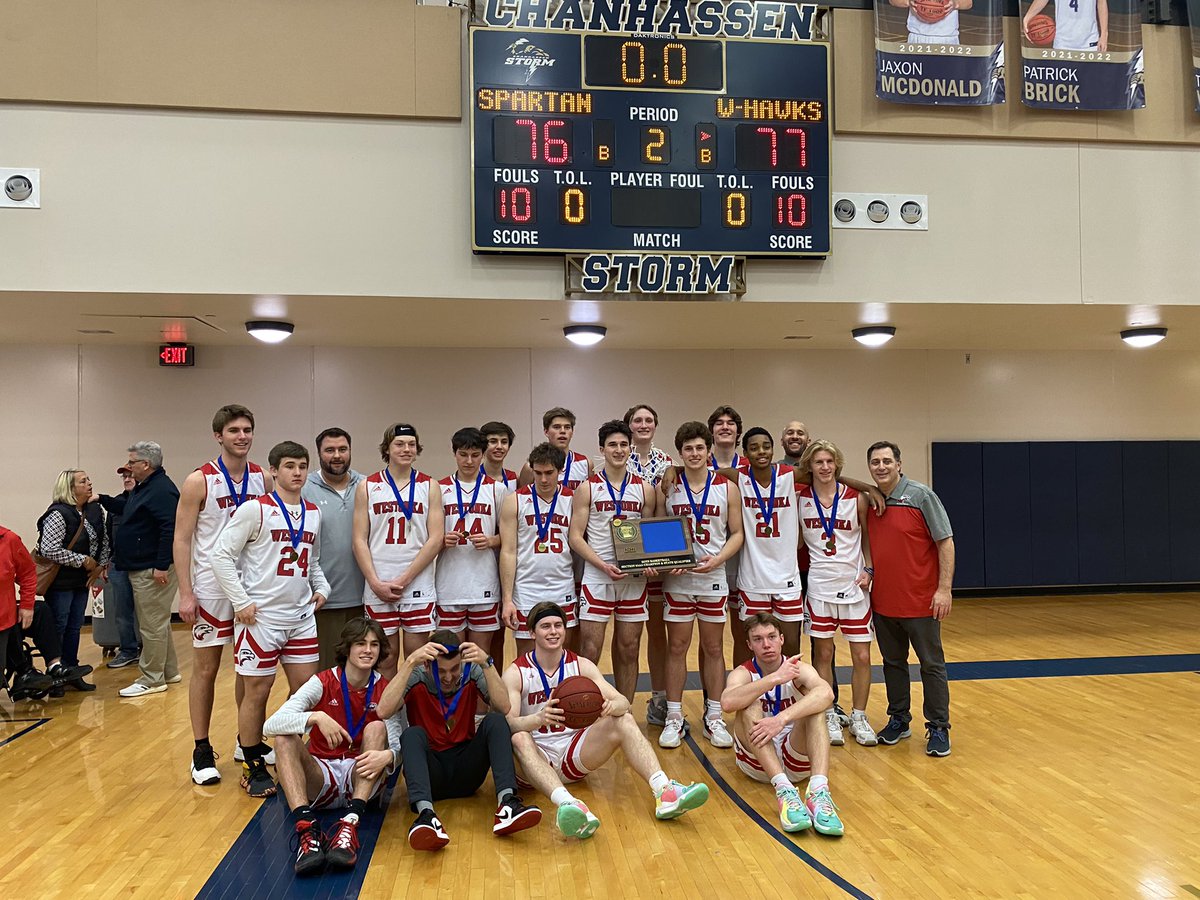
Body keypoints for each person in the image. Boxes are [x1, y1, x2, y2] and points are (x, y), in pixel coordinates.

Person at [502, 601, 709, 839]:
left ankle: (665, 792)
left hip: (573, 754)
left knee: (624, 720)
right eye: (545, 626)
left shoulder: (580, 665)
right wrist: (538, 719)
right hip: (535, 762)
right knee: (518, 738)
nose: (553, 632)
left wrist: (611, 706)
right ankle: (569, 805)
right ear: (532, 633)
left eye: (558, 625)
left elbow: (624, 703)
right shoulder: (516, 672)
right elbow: (509, 724)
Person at [212, 440, 330, 798]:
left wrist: (321, 588)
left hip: (300, 617)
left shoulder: (313, 512)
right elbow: (220, 556)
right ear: (274, 471)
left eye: (302, 466)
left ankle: (293, 754)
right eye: (289, 466)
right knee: (257, 692)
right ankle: (251, 763)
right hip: (259, 619)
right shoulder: (254, 509)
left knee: (305, 693)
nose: (296, 472)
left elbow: (312, 562)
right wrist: (241, 601)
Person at [173, 404, 271, 785]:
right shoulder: (200, 480)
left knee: (250, 669)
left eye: (247, 429)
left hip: (250, 585)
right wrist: (185, 592)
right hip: (211, 588)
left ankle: (245, 741)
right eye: (234, 430)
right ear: (218, 435)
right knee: (206, 669)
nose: (242, 436)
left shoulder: (263, 477)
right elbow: (182, 539)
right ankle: (200, 749)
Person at [377, 629, 540, 851]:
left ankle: (507, 805)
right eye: (441, 670)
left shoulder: (471, 671)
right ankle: (426, 816)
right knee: (411, 735)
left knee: (495, 721)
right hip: (431, 774)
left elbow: (504, 707)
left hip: (467, 770)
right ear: (426, 665)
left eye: (454, 669)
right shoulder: (415, 675)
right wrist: (410, 662)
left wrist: (486, 663)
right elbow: (383, 710)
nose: (448, 677)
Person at [263, 618, 401, 876]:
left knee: (376, 728)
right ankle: (307, 830)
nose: (368, 650)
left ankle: (350, 823)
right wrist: (314, 717)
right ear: (347, 648)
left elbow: (398, 744)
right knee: (283, 737)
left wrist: (389, 756)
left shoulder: (385, 688)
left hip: (360, 778)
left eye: (374, 644)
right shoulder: (323, 681)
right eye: (360, 643)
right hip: (321, 776)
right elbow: (270, 724)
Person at [866, 441, 955, 757]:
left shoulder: (921, 496)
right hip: (884, 603)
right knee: (893, 664)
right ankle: (899, 719)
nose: (881, 467)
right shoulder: (871, 501)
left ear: (899, 464)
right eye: (875, 462)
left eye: (887, 461)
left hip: (921, 602)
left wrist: (943, 590)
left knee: (931, 665)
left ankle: (938, 727)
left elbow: (945, 542)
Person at [658, 421, 744, 750]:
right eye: (688, 449)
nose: (694, 454)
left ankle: (714, 716)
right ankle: (674, 717)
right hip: (678, 579)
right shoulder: (669, 485)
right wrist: (666, 560)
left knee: (713, 648)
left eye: (699, 448)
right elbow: (653, 529)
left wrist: (719, 559)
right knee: (677, 648)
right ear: (679, 453)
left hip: (712, 576)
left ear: (709, 450)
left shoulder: (727, 487)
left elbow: (736, 532)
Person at [721, 613, 844, 836]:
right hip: (758, 761)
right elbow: (728, 703)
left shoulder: (799, 669)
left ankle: (818, 792)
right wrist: (775, 678)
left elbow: (827, 693)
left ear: (781, 639)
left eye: (771, 637)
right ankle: (785, 792)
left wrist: (780, 719)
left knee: (815, 708)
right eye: (758, 639)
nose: (766, 644)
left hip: (794, 752)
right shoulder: (743, 672)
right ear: (749, 644)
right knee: (748, 705)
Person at [797, 440, 877, 747]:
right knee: (824, 655)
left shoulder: (856, 498)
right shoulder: (800, 499)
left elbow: (867, 537)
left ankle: (859, 716)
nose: (825, 467)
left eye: (830, 461)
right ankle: (828, 712)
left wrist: (869, 568)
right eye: (818, 462)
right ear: (810, 467)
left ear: (837, 465)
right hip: (819, 586)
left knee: (862, 655)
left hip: (854, 585)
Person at [569, 420, 655, 703]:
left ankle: (626, 710)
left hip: (633, 579)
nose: (618, 450)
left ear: (631, 448)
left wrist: (652, 562)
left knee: (630, 647)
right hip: (599, 576)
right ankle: (585, 709)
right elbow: (576, 537)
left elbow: (650, 535)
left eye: (622, 445)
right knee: (591, 648)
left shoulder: (644, 489)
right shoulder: (587, 488)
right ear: (601, 449)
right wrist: (602, 564)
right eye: (612, 445)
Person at [354, 423, 444, 671]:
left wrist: (405, 579)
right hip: (379, 583)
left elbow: (436, 538)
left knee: (418, 659)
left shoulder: (430, 486)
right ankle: (388, 711)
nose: (406, 449)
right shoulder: (368, 486)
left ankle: (415, 711)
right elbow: (359, 539)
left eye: (411, 444)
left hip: (417, 584)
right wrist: (374, 582)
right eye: (399, 444)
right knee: (384, 658)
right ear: (387, 448)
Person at [778, 421, 848, 731]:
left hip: (821, 569)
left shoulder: (822, 474)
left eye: (800, 433)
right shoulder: (779, 474)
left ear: (808, 440)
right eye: (790, 432)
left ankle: (828, 700)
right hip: (785, 567)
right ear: (782, 439)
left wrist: (867, 487)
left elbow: (844, 479)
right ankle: (785, 697)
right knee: (785, 637)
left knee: (824, 642)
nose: (795, 436)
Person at [106, 442, 181, 698]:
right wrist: (102, 500)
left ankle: (151, 678)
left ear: (146, 465)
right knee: (158, 623)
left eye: (131, 462)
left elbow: (169, 530)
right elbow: (129, 511)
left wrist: (161, 565)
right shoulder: (145, 488)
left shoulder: (160, 490)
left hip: (152, 569)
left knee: (151, 626)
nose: (129, 467)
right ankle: (169, 671)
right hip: (144, 566)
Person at [499, 443, 578, 655]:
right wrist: (507, 599)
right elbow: (508, 551)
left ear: (560, 470)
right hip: (526, 589)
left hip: (562, 587)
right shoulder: (514, 501)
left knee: (562, 654)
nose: (543, 479)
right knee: (527, 658)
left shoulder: (573, 499)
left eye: (549, 473)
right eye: (538, 473)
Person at [623, 403, 674, 733]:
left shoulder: (668, 461)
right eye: (637, 420)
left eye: (649, 420)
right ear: (629, 425)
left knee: (657, 632)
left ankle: (659, 697)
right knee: (627, 636)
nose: (643, 424)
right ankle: (620, 700)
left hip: (659, 551)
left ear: (655, 425)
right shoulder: (615, 456)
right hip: (625, 555)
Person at [36, 469, 107, 692]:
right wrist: (81, 560)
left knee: (74, 626)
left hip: (81, 580)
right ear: (70, 488)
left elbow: (103, 539)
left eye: (89, 479)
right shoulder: (58, 513)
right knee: (59, 625)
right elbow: (48, 549)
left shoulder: (94, 510)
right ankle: (55, 673)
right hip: (60, 582)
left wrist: (100, 565)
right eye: (83, 481)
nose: (89, 483)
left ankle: (71, 670)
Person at [302, 427, 367, 668]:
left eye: (342, 449)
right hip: (322, 600)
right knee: (323, 675)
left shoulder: (367, 485)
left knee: (361, 672)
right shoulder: (304, 488)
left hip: (364, 597)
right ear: (319, 453)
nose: (337, 455)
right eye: (329, 450)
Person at [436, 428, 503, 653]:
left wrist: (492, 541)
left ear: (483, 455)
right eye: (463, 454)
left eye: (475, 455)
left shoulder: (496, 489)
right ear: (454, 454)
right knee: (450, 654)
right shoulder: (439, 488)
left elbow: (511, 536)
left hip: (484, 584)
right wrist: (441, 540)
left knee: (478, 654)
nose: (469, 460)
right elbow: (427, 536)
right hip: (448, 585)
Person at [102, 467, 141, 669]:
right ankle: (128, 650)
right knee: (122, 611)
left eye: (130, 475)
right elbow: (108, 536)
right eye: (124, 476)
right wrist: (106, 561)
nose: (127, 479)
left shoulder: (147, 500)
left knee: (147, 610)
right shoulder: (115, 504)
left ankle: (148, 649)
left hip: (143, 564)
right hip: (118, 565)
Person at [518, 407, 592, 492]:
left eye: (567, 427)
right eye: (557, 427)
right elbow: (523, 500)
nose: (563, 431)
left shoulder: (585, 463)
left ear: (572, 432)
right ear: (546, 431)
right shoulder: (531, 467)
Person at [1023, 0, 1106, 51]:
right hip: (1062, 43)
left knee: (1090, 79)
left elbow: (1101, 2)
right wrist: (1027, 17)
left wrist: (1104, 35)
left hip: (1090, 43)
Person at [889, 0, 969, 47]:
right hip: (917, 37)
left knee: (949, 74)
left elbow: (968, 3)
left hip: (948, 39)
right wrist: (908, 2)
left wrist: (955, 3)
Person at [480, 420, 519, 493]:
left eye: (504, 442)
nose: (499, 446)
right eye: (493, 441)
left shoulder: (514, 478)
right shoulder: (473, 477)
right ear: (482, 445)